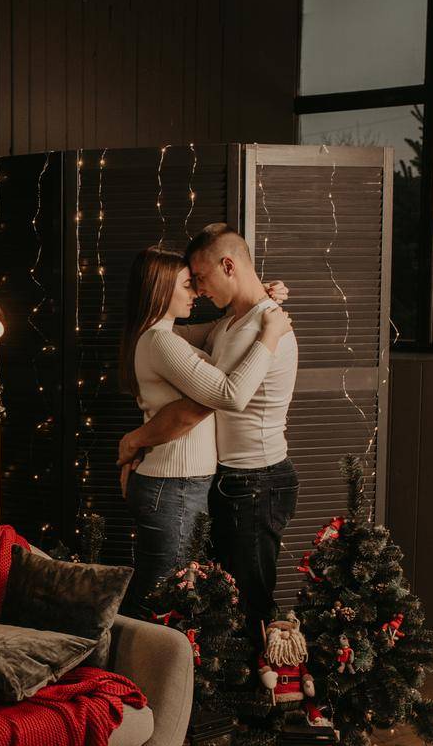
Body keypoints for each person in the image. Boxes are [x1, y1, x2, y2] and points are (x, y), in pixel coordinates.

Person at [118, 223, 299, 640]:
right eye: (189, 283)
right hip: (191, 483)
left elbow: (216, 353)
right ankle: (130, 673)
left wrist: (264, 308)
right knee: (167, 592)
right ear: (162, 291)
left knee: (215, 594)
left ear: (228, 266)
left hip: (235, 481)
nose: (197, 290)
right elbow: (222, 392)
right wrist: (267, 325)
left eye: (199, 278)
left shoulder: (225, 327)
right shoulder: (180, 338)